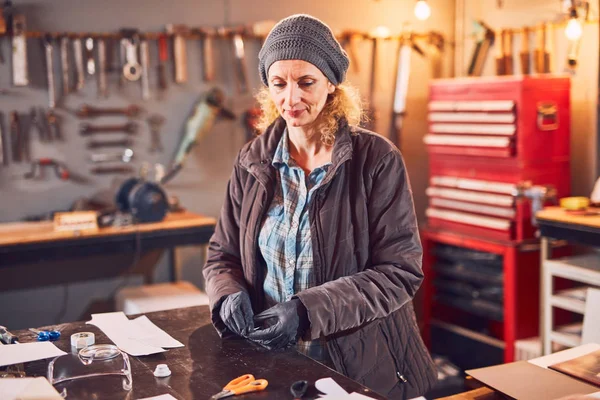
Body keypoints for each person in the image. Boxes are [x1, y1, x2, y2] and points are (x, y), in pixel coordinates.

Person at [203, 13, 437, 399]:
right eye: (279, 84)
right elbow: (221, 254)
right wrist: (226, 294)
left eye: (305, 82)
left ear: (331, 84)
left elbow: (400, 272)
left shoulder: (375, 159)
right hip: (275, 362)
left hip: (358, 365)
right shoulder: (254, 159)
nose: (290, 99)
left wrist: (307, 311)